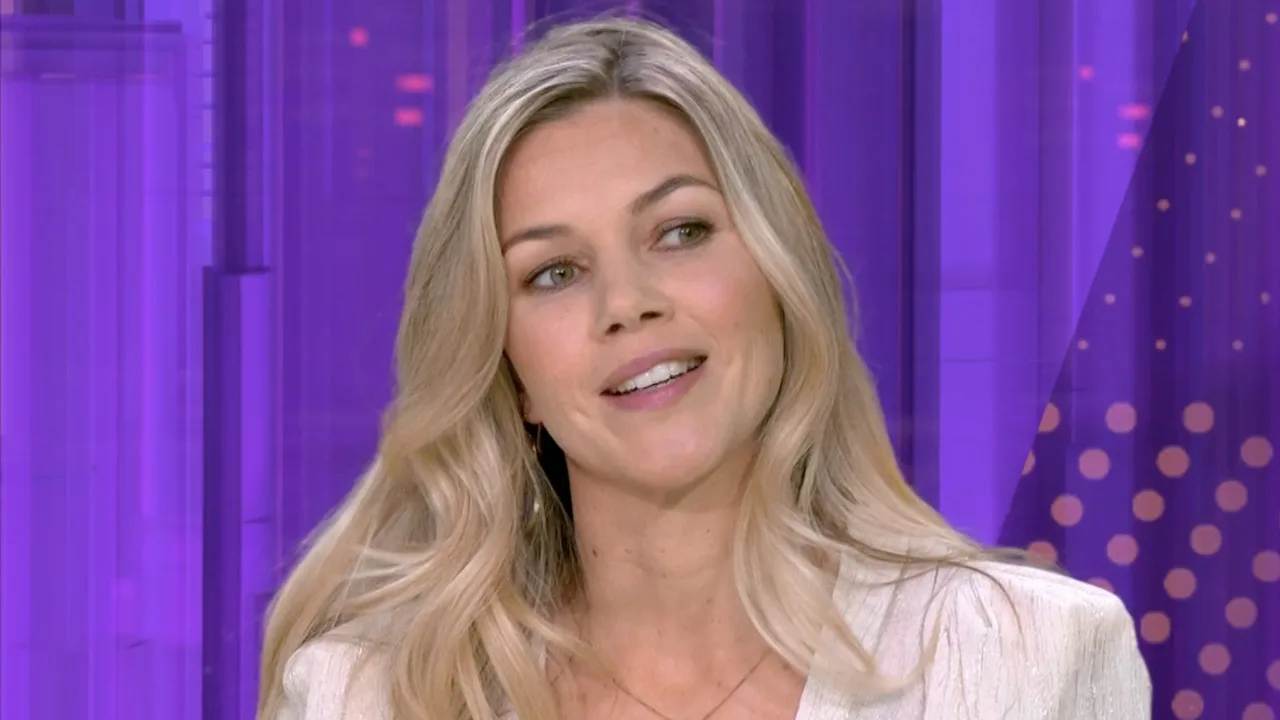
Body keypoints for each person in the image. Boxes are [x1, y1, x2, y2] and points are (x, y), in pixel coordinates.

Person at [257, 15, 1151, 720]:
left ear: (775, 275)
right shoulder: (365, 699)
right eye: (554, 273)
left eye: (679, 231)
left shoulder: (1028, 664)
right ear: (511, 374)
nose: (628, 303)